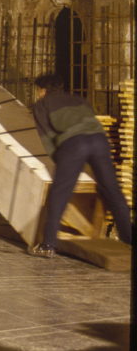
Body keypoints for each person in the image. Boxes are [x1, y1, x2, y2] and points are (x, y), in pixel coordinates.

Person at [28, 73, 133, 258]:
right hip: (100, 141)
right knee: (112, 191)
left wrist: (62, 165)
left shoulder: (41, 105)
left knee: (59, 194)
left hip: (73, 144)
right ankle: (129, 240)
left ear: (42, 90)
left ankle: (48, 245)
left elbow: (47, 138)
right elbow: (92, 123)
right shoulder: (79, 100)